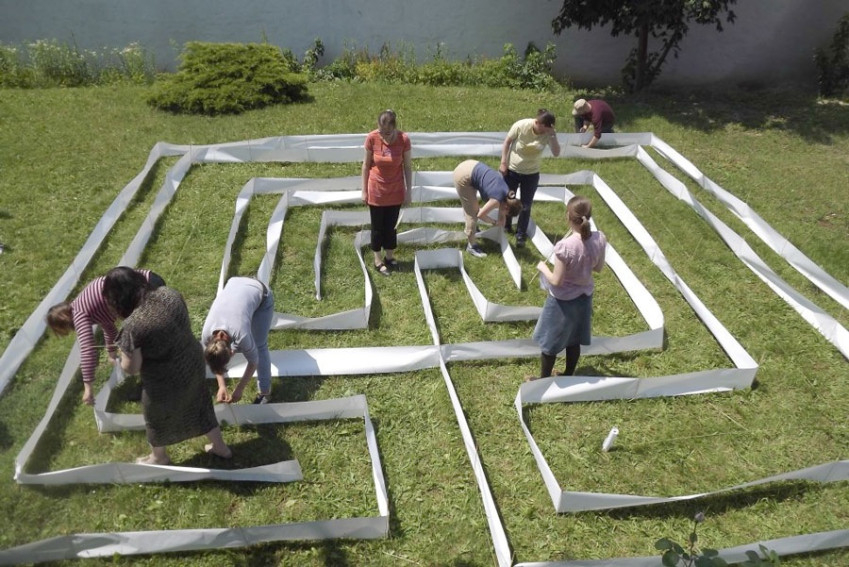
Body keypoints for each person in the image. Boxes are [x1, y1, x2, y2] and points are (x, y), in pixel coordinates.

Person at [103, 267, 231, 465]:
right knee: (201, 403)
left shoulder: (132, 326)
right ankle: (220, 447)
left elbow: (132, 368)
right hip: (193, 361)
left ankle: (158, 457)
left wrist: (123, 354)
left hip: (165, 379)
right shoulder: (169, 293)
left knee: (155, 417)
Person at [46, 267, 166, 405]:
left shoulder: (79, 315)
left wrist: (88, 388)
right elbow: (109, 327)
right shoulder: (83, 304)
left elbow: (87, 350)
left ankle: (153, 383)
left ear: (63, 322)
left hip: (147, 289)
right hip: (150, 279)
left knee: (146, 342)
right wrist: (111, 353)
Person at [531, 196, 607, 379]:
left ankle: (543, 381)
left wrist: (542, 268)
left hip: (561, 302)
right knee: (574, 340)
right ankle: (568, 375)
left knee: (549, 344)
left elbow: (556, 281)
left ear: (568, 217)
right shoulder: (600, 238)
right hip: (584, 298)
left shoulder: (564, 247)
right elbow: (598, 268)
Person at [202, 277, 274, 405]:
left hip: (261, 294)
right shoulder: (206, 336)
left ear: (231, 352)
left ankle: (265, 393)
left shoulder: (241, 334)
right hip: (234, 283)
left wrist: (240, 389)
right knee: (244, 344)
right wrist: (221, 386)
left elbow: (254, 361)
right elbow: (215, 361)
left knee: (259, 345)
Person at [499, 109, 561, 248]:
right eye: (544, 128)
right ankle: (506, 226)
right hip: (512, 171)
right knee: (509, 200)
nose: (545, 132)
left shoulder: (549, 133)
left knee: (526, 205)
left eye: (548, 129)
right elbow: (507, 142)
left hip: (532, 174)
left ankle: (521, 234)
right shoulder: (521, 126)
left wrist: (552, 136)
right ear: (537, 123)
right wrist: (503, 162)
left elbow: (556, 153)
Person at [361, 109, 412, 276]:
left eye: (388, 132)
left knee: (391, 226)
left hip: (396, 191)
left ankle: (389, 257)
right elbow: (366, 165)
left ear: (395, 127)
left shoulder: (404, 139)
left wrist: (408, 191)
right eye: (381, 131)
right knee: (377, 227)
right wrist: (364, 191)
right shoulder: (372, 138)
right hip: (376, 191)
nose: (384, 135)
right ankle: (377, 260)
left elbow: (407, 167)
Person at [453, 159, 522, 257]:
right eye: (507, 214)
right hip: (462, 176)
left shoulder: (508, 194)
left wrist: (502, 218)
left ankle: (474, 229)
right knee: (472, 213)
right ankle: (471, 246)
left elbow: (502, 211)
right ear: (507, 208)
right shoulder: (496, 200)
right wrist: (494, 222)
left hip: (471, 165)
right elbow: (480, 215)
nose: (505, 215)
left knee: (470, 205)